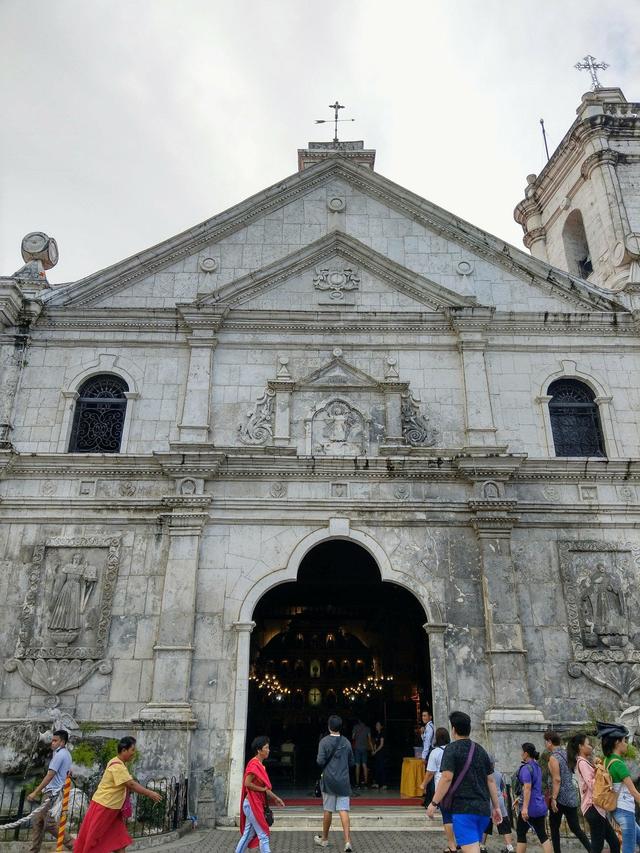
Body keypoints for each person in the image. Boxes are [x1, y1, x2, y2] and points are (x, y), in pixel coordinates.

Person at [426, 711, 502, 853]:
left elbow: (447, 778)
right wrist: (496, 807)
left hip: (464, 810)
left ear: (453, 729)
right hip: (483, 811)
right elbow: (491, 781)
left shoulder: (451, 749)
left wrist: (434, 803)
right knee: (473, 847)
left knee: (471, 850)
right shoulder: (480, 750)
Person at [73, 736, 162, 853]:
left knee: (119, 842)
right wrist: (150, 793)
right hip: (104, 806)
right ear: (124, 750)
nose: (133, 753)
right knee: (94, 842)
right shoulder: (117, 766)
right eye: (132, 750)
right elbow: (131, 784)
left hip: (112, 809)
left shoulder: (117, 762)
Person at [567, 733, 619, 853]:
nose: (591, 747)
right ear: (581, 746)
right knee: (597, 846)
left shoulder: (585, 762)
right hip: (592, 808)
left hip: (596, 809)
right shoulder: (582, 763)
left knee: (614, 842)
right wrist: (600, 772)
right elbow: (593, 784)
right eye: (588, 744)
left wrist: (597, 767)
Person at [235, 735, 284, 853]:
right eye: (266, 748)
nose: (268, 750)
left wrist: (276, 798)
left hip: (253, 803)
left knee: (248, 835)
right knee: (263, 834)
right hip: (252, 804)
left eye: (268, 747)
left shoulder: (260, 765)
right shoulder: (254, 765)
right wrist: (262, 790)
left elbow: (265, 788)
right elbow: (247, 783)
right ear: (259, 750)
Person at [544, 730, 591, 853]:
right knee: (575, 828)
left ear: (549, 742)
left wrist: (553, 798)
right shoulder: (567, 753)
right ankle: (591, 849)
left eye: (546, 741)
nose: (545, 744)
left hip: (559, 797)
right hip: (571, 795)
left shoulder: (554, 758)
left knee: (554, 828)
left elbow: (557, 779)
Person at [27, 729, 73, 853]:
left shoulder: (60, 755)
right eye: (52, 740)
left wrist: (35, 792)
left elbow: (50, 775)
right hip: (53, 792)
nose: (52, 743)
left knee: (49, 824)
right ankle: (33, 850)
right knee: (38, 822)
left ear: (62, 742)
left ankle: (74, 845)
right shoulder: (65, 754)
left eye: (55, 741)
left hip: (52, 794)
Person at [315, 715, 355, 853]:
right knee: (343, 810)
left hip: (329, 781)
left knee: (328, 809)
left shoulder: (324, 742)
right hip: (343, 780)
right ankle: (347, 841)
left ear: (329, 726)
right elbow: (351, 762)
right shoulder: (346, 742)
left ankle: (324, 839)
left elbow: (320, 761)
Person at [599, 720, 640, 853]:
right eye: (624, 740)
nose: (626, 744)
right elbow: (634, 792)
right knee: (628, 850)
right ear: (617, 742)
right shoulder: (619, 764)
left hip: (617, 809)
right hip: (625, 811)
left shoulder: (607, 760)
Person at [421, 726, 458, 853]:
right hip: (457, 787)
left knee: (447, 817)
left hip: (442, 788)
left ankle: (451, 845)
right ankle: (461, 842)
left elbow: (430, 772)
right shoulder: (454, 749)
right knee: (457, 816)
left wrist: (424, 784)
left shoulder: (435, 752)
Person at [515, 743, 552, 853]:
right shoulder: (537, 767)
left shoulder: (526, 768)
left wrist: (525, 808)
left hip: (530, 808)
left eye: (522, 752)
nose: (521, 754)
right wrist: (519, 799)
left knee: (521, 832)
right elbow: (536, 787)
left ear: (526, 754)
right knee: (542, 835)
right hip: (540, 805)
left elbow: (527, 788)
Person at [481, 755, 514, 853]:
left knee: (486, 824)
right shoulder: (499, 774)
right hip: (499, 801)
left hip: (487, 801)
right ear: (493, 764)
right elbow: (502, 787)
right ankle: (509, 846)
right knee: (504, 823)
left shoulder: (481, 775)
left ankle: (482, 846)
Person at [351, 718, 372, 788]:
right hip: (364, 748)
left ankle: (357, 783)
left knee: (357, 765)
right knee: (364, 765)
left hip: (357, 748)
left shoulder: (355, 727)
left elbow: (353, 737)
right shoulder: (367, 728)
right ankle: (366, 782)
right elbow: (369, 739)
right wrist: (372, 749)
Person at [421, 708, 435, 805]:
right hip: (429, 751)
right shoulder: (428, 727)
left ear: (430, 717)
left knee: (429, 776)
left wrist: (424, 756)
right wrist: (422, 733)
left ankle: (429, 800)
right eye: (422, 716)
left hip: (429, 752)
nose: (423, 717)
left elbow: (427, 742)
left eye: (425, 715)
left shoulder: (429, 727)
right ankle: (428, 799)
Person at [370, 721, 386, 790]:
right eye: (376, 725)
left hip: (381, 753)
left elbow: (381, 744)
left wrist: (375, 751)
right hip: (377, 754)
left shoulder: (382, 734)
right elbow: (375, 744)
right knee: (377, 767)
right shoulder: (377, 734)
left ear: (381, 727)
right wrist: (373, 750)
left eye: (378, 725)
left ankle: (384, 784)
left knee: (381, 768)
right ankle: (377, 783)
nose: (376, 726)